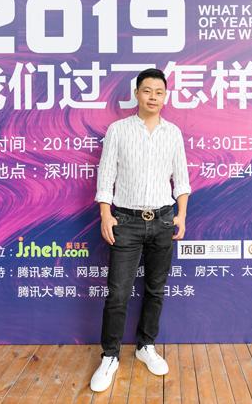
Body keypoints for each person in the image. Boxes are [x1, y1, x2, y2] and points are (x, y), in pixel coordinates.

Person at [89, 68, 191, 392]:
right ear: (137, 94)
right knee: (118, 293)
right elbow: (106, 176)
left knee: (155, 289)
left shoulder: (173, 133)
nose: (153, 97)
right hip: (126, 221)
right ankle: (110, 356)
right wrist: (106, 215)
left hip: (163, 220)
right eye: (147, 91)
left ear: (165, 96)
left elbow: (181, 179)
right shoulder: (118, 130)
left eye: (159, 92)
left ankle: (146, 346)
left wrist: (181, 215)